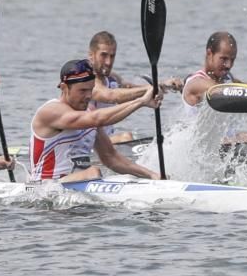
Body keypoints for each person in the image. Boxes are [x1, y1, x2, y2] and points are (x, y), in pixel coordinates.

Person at [29, 59, 162, 183]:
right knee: (93, 171)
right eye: (82, 90)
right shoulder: (51, 111)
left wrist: (152, 175)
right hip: (43, 187)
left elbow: (111, 157)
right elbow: (98, 119)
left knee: (101, 174)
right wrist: (141, 102)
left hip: (77, 184)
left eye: (91, 89)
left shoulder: (89, 114)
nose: (88, 96)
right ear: (64, 88)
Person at [87, 31, 183, 144]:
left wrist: (164, 84)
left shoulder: (112, 77)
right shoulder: (85, 80)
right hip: (85, 144)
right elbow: (112, 96)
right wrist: (151, 88)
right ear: (91, 55)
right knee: (126, 137)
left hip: (103, 140)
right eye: (103, 55)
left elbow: (128, 90)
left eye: (112, 56)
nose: (108, 62)